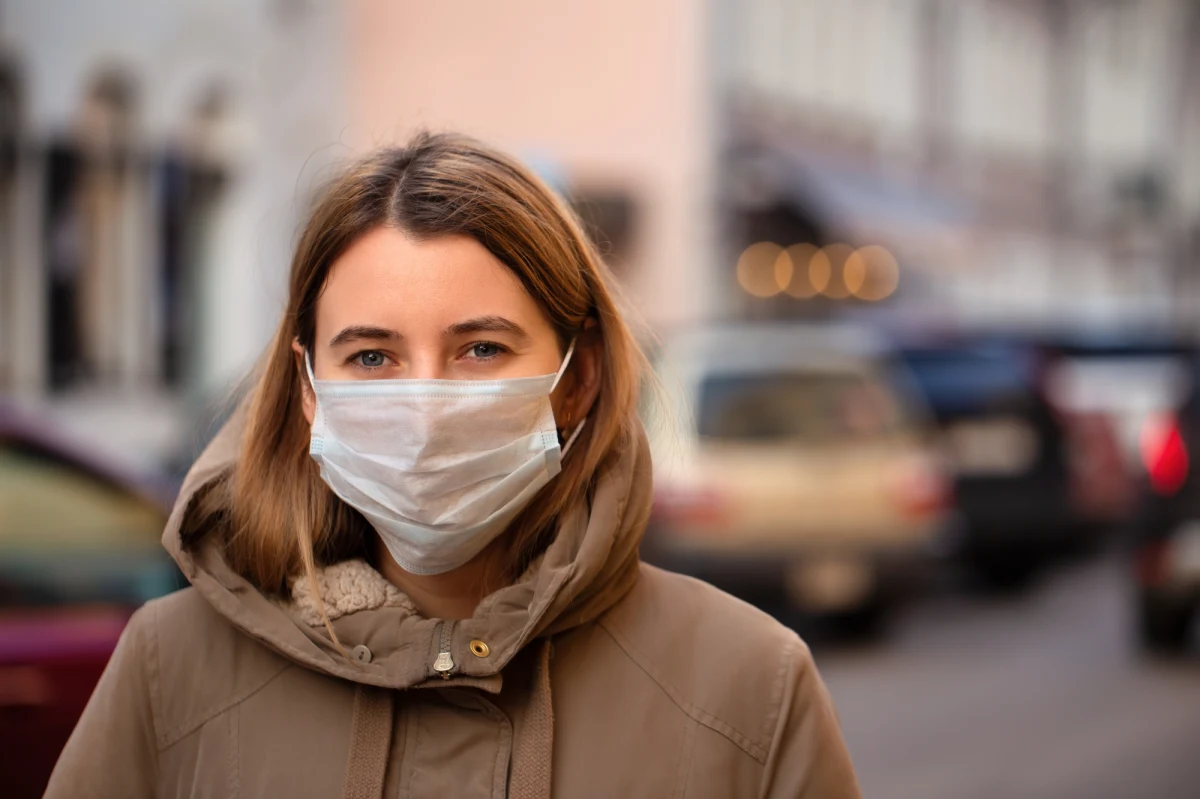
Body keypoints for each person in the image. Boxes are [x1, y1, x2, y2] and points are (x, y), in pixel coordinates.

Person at [45, 132, 861, 798]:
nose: (426, 403)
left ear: (576, 381)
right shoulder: (169, 668)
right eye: (371, 356)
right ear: (307, 388)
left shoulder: (746, 683)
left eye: (480, 348)